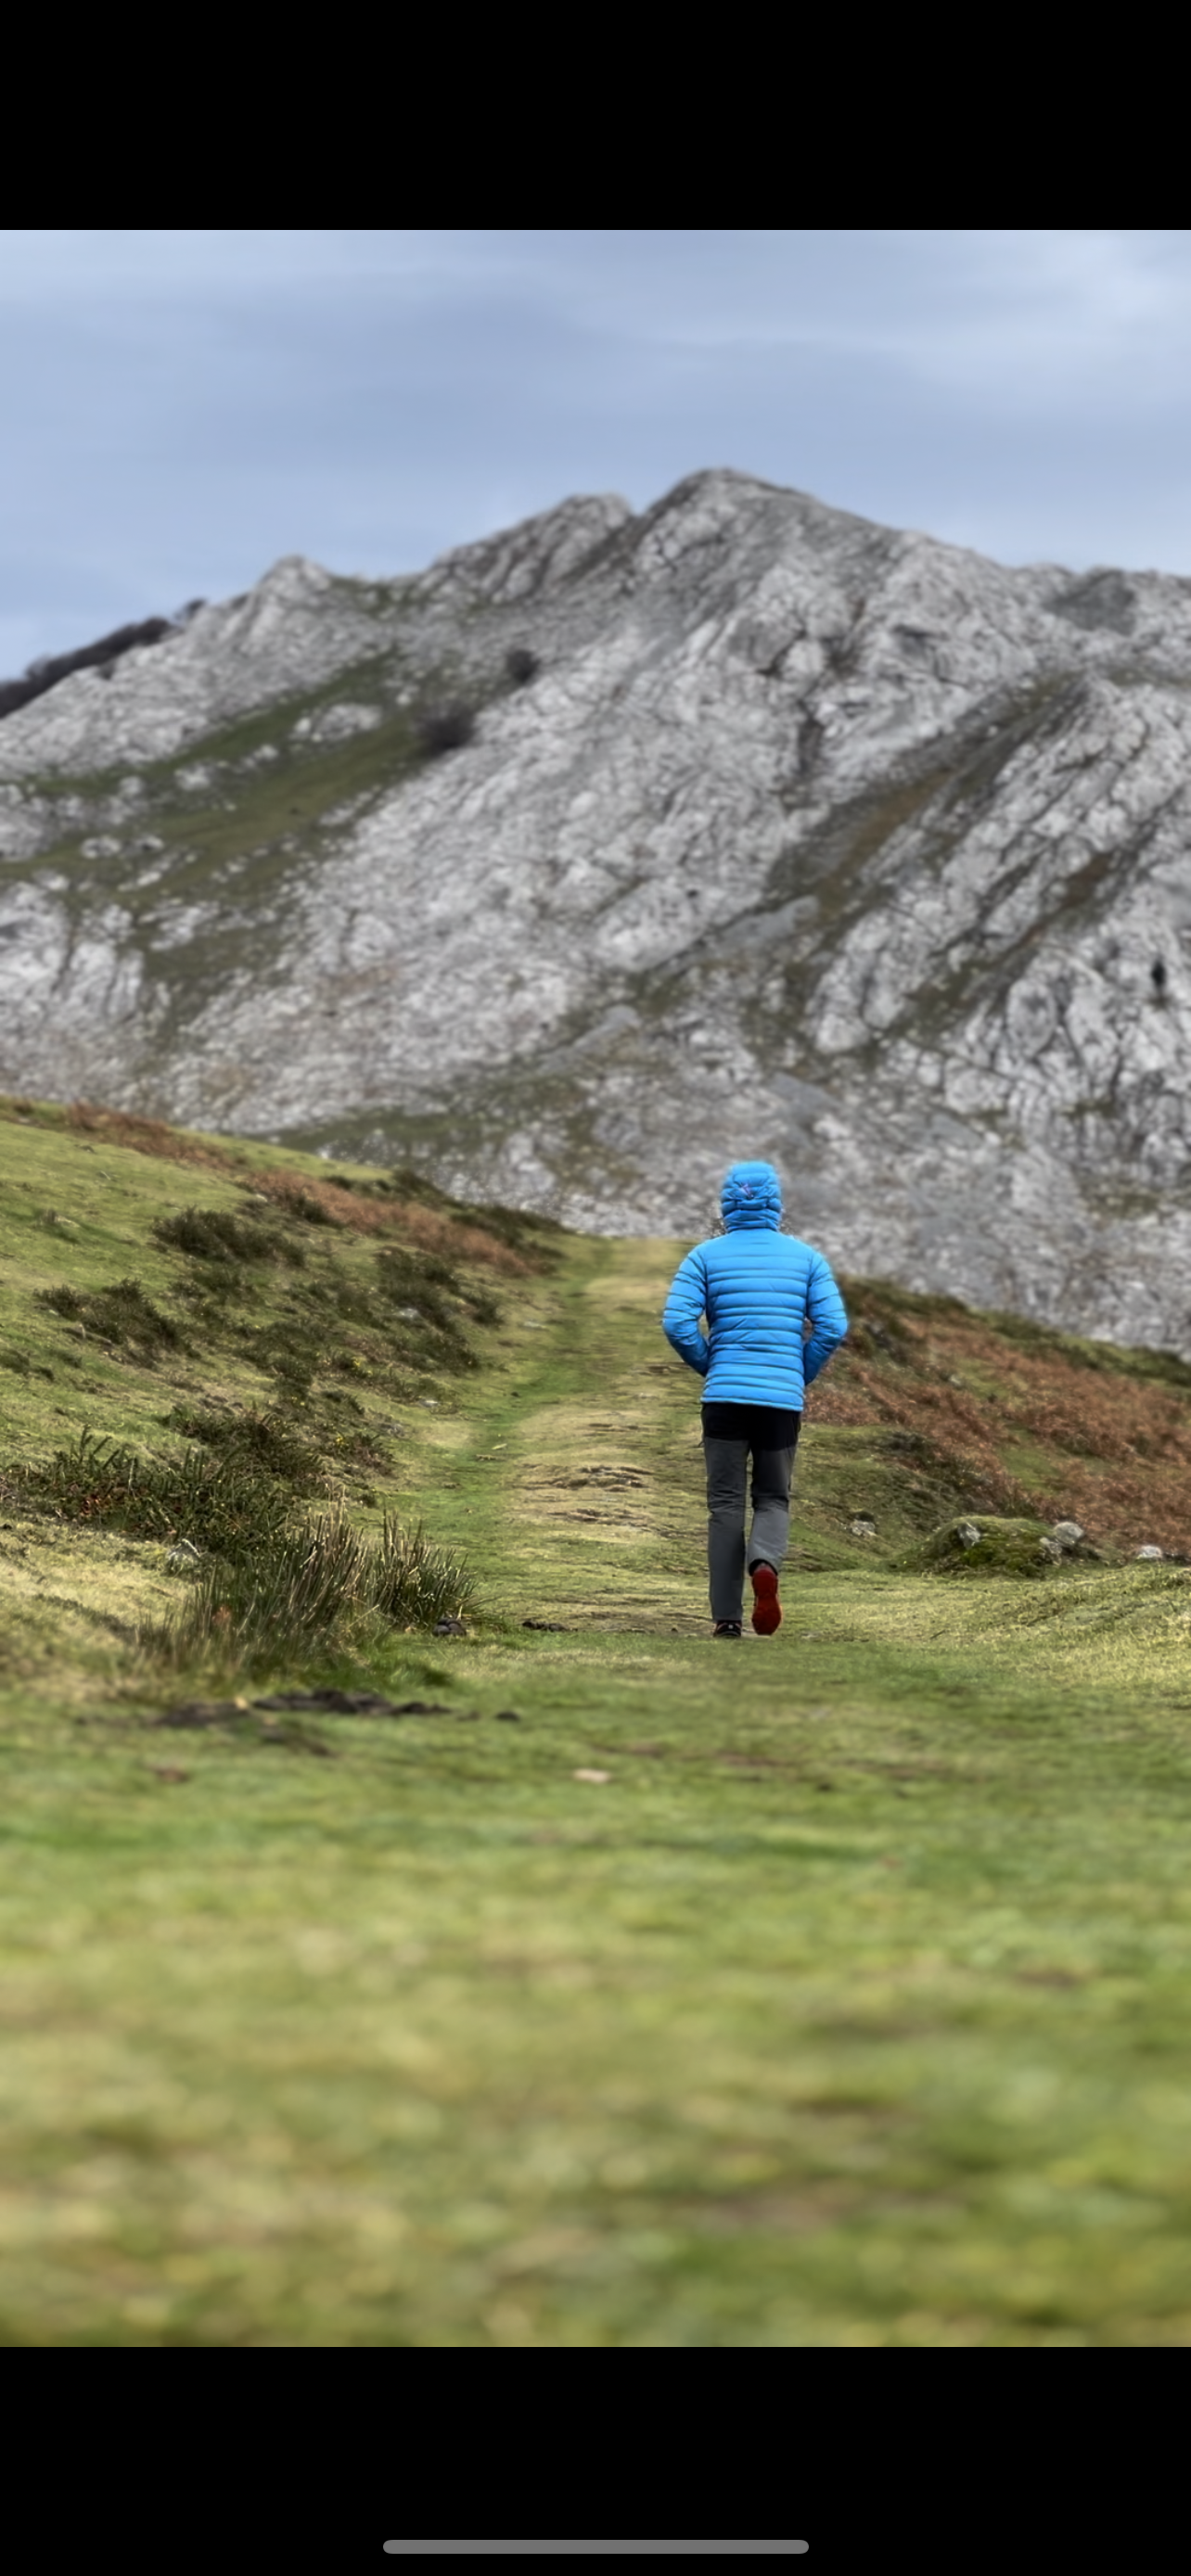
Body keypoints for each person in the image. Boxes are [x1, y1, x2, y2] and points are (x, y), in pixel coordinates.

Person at [661, 1160, 848, 1639]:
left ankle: (727, 1619)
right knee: (772, 1498)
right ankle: (764, 1564)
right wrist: (798, 1373)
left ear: (727, 1204)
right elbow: (833, 1326)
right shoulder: (807, 1259)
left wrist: (712, 1365)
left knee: (724, 1506)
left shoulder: (703, 1257)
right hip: (780, 1403)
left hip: (724, 1399)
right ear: (775, 1203)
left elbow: (677, 1324)